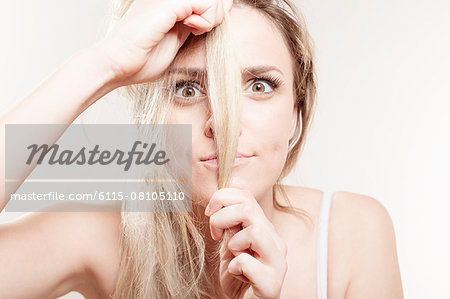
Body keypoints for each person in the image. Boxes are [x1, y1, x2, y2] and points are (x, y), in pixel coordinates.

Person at [0, 0, 404, 298]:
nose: (223, 121)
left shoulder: (353, 232)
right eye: (188, 89)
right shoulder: (96, 234)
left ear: (297, 113)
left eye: (259, 85)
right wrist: (104, 63)